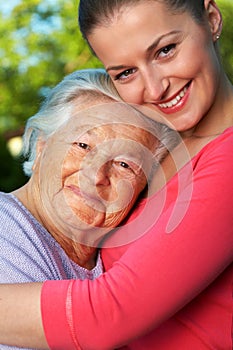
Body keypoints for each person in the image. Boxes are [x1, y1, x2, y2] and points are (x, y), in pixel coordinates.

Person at [0, 0, 233, 349]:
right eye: (125, 72)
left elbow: (107, 314)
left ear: (212, 19)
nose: (155, 89)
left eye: (166, 50)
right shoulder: (162, 148)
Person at [0, 68, 177, 349]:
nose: (96, 175)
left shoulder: (120, 261)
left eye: (124, 164)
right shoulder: (5, 229)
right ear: (42, 146)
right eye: (82, 145)